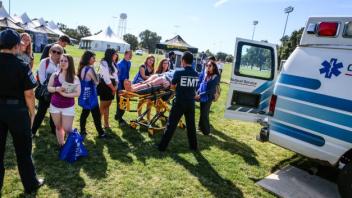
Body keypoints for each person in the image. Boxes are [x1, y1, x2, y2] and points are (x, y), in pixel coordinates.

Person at [0, 29, 44, 194]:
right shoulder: (21, 65)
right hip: (17, 111)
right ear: (17, 46)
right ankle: (30, 184)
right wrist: (32, 113)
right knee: (23, 151)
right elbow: (30, 93)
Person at [158, 52, 199, 151]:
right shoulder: (196, 73)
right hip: (191, 103)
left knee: (171, 124)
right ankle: (193, 147)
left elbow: (172, 86)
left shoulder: (179, 72)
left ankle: (162, 147)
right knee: (191, 125)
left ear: (183, 60)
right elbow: (194, 88)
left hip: (180, 102)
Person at [47, 54, 80, 146]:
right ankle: (62, 144)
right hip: (54, 106)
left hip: (68, 106)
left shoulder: (74, 78)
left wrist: (64, 94)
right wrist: (56, 89)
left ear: (70, 63)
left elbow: (78, 93)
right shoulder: (55, 75)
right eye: (61, 61)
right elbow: (49, 88)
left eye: (65, 61)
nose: (63, 63)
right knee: (58, 127)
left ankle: (74, 145)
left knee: (67, 129)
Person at [32, 44, 63, 136]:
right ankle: (32, 131)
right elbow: (41, 79)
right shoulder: (44, 62)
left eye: (59, 52)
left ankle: (54, 131)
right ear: (50, 52)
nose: (56, 53)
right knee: (41, 112)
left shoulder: (62, 63)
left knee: (54, 112)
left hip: (57, 92)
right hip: (46, 92)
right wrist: (52, 88)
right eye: (54, 51)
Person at [77, 50, 107, 138]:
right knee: (96, 115)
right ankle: (101, 133)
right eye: (93, 58)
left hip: (84, 94)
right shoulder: (89, 69)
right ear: (88, 58)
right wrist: (99, 76)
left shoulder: (82, 67)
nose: (95, 60)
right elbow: (96, 82)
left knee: (85, 112)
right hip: (91, 96)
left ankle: (82, 130)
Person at [195, 61, 220, 135]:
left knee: (204, 114)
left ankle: (206, 131)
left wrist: (200, 95)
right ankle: (200, 127)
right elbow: (202, 84)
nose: (207, 67)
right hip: (202, 96)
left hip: (208, 97)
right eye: (207, 65)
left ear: (214, 67)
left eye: (210, 66)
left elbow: (211, 90)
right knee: (202, 113)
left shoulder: (215, 77)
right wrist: (198, 92)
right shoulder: (206, 74)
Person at [98, 48, 118, 129]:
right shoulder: (104, 63)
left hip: (112, 85)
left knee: (108, 105)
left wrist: (116, 85)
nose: (116, 56)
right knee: (103, 106)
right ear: (110, 55)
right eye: (115, 54)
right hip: (106, 86)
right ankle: (98, 124)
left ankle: (106, 123)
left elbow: (116, 75)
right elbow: (106, 78)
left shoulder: (112, 63)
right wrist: (113, 88)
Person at [132, 55, 155, 121]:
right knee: (141, 100)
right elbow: (143, 76)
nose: (151, 61)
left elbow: (152, 77)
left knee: (149, 101)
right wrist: (152, 77)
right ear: (147, 59)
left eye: (152, 60)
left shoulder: (152, 68)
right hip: (139, 83)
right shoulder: (143, 66)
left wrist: (152, 78)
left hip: (147, 85)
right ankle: (139, 115)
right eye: (150, 60)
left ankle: (148, 117)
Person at [115, 50, 132, 126]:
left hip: (126, 83)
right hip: (120, 84)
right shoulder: (119, 64)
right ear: (125, 54)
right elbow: (117, 78)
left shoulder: (129, 62)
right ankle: (120, 119)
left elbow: (127, 74)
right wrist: (119, 89)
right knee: (121, 101)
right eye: (129, 55)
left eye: (131, 55)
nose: (130, 56)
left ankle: (117, 115)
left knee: (126, 101)